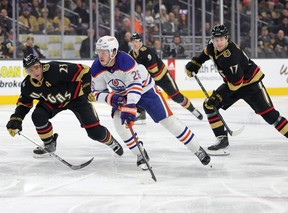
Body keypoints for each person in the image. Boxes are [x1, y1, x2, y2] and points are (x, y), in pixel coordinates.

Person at [90, 35, 211, 170]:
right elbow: (96, 92)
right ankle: (140, 153)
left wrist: (130, 107)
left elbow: (135, 86)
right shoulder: (96, 67)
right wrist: (112, 99)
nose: (100, 55)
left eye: (104, 52)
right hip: (122, 95)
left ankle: (197, 149)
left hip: (145, 91)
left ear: (113, 51)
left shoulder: (125, 61)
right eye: (99, 51)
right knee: (120, 126)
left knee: (169, 122)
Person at [185, 24, 288, 156]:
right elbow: (206, 53)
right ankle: (222, 140)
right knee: (209, 105)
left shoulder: (230, 57)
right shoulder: (212, 46)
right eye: (216, 39)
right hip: (234, 83)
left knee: (271, 116)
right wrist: (196, 63)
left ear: (227, 38)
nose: (219, 42)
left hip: (252, 86)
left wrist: (219, 97)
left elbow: (236, 84)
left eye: (221, 39)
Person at [6, 54, 123, 158]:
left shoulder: (55, 69)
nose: (35, 72)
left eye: (36, 67)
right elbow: (24, 104)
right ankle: (49, 143)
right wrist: (16, 119)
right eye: (30, 70)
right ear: (26, 72)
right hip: (52, 102)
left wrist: (87, 89)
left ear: (41, 65)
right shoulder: (27, 86)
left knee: (95, 133)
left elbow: (85, 70)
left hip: (76, 98)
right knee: (38, 115)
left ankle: (110, 141)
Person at [128, 33, 203, 122]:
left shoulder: (148, 52)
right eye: (133, 42)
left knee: (176, 97)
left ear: (141, 42)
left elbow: (154, 70)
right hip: (150, 79)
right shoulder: (130, 54)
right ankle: (141, 112)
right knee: (137, 92)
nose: (135, 44)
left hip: (163, 77)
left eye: (137, 41)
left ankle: (192, 109)